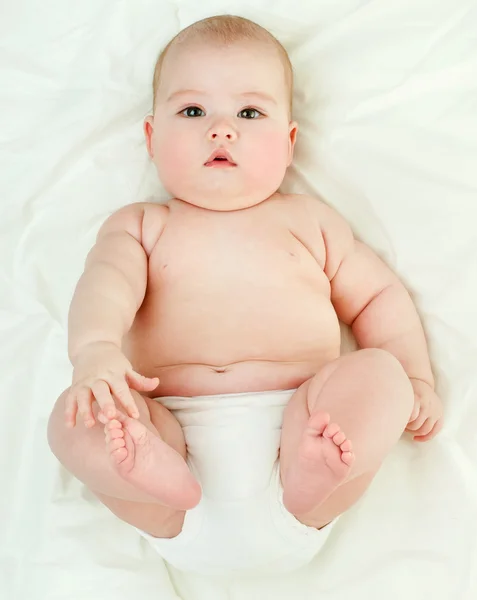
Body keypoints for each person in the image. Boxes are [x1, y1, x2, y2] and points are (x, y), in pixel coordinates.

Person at [47, 14, 444, 576]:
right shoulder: (140, 225)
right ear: (151, 138)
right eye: (193, 111)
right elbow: (106, 282)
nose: (221, 129)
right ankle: (146, 470)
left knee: (380, 373)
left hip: (301, 433)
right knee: (75, 417)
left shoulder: (312, 222)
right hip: (169, 436)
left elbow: (378, 298)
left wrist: (415, 378)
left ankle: (313, 474)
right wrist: (94, 351)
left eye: (249, 113)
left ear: (288, 144)